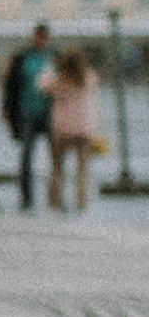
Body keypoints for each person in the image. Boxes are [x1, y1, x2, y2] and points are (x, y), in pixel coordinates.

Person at [3, 23, 56, 210]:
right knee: (26, 156)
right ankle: (26, 197)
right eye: (38, 36)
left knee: (56, 157)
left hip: (51, 113)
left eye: (44, 36)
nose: (41, 40)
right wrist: (7, 110)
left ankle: (55, 197)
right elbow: (10, 85)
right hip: (26, 112)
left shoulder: (55, 57)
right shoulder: (22, 57)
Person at [48, 50, 102, 210]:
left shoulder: (59, 81)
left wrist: (52, 67)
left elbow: (42, 83)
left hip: (62, 129)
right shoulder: (89, 78)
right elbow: (93, 78)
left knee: (57, 168)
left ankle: (55, 203)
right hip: (84, 129)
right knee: (82, 169)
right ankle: (81, 204)